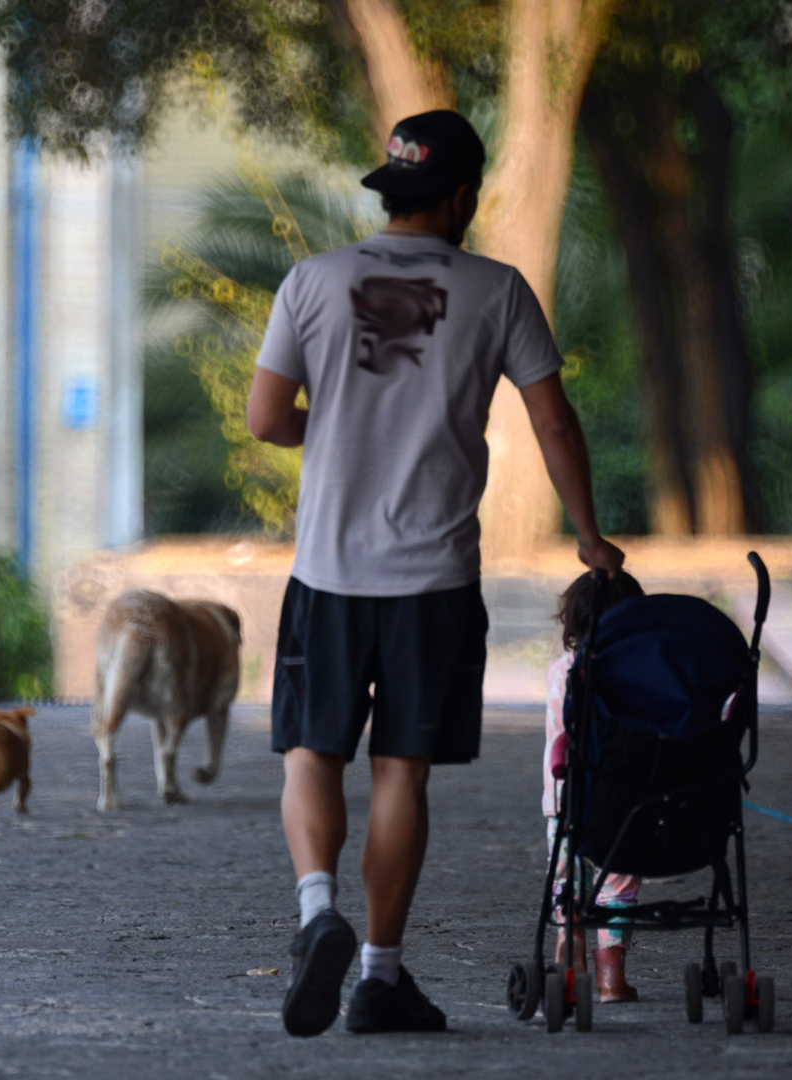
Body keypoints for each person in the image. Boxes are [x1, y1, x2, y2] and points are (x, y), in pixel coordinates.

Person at [245, 109, 625, 1037]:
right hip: (435, 579)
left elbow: (265, 419)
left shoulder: (313, 280)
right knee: (401, 771)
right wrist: (589, 536)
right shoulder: (497, 290)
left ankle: (314, 913)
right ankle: (378, 976)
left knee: (310, 750)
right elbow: (553, 423)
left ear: (391, 188)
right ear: (461, 197)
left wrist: (326, 431)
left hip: (330, 570)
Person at [543, 570, 645, 1003]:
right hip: (627, 805)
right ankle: (611, 978)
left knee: (567, 880)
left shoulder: (561, 671)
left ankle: (570, 938)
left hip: (565, 802)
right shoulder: (644, 678)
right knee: (617, 888)